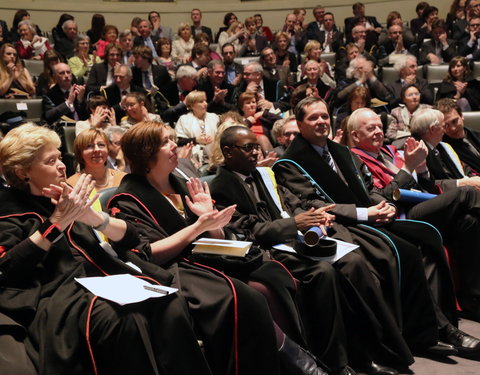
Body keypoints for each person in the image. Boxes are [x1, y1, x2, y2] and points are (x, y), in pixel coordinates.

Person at [107, 120, 326, 375]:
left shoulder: (182, 183)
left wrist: (210, 219)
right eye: (166, 141)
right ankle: (300, 366)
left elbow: (217, 235)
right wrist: (198, 226)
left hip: (207, 256)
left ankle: (293, 359)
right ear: (146, 152)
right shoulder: (126, 198)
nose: (175, 146)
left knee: (273, 277)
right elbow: (147, 254)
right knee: (249, 297)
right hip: (174, 269)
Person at [0, 123, 213, 375]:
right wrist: (55, 224)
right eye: (50, 161)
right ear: (23, 171)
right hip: (54, 293)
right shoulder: (9, 207)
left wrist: (93, 217)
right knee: (123, 318)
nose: (61, 165)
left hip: (100, 279)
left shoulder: (66, 195)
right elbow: (8, 268)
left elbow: (131, 239)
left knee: (170, 302)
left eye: (60, 157)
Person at [210, 125, 417, 375]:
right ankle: (337, 362)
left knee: (354, 262)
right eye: (248, 148)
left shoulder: (264, 174)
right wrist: (295, 223)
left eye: (256, 146)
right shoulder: (221, 186)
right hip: (267, 249)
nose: (255, 153)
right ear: (228, 152)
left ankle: (371, 352)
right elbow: (250, 230)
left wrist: (314, 216)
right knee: (322, 273)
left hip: (295, 240)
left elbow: (291, 202)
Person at [272, 97, 465, 358]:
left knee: (428, 239)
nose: (321, 122)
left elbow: (368, 190)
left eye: (324, 116)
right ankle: (423, 334)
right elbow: (312, 204)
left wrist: (384, 206)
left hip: (369, 218)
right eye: (313, 118)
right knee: (403, 252)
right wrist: (366, 212)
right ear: (299, 124)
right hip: (341, 226)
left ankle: (438, 327)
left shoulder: (341, 152)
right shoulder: (289, 163)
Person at [349, 106, 480, 329]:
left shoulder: (391, 151)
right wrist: (408, 167)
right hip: (400, 215)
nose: (378, 132)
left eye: (380, 127)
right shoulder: (355, 160)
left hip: (421, 204)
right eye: (370, 128)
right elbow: (380, 198)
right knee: (468, 192)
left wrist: (421, 170)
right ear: (355, 135)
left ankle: (473, 299)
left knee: (469, 222)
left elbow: (427, 188)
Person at [175, 90, 219, 167]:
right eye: (201, 101)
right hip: (193, 160)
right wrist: (196, 140)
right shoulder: (184, 119)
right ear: (192, 105)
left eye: (205, 101)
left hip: (215, 157)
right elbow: (179, 141)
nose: (205, 104)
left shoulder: (214, 117)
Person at [436, 98, 480, 174]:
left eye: (454, 121)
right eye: (446, 125)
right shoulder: (445, 151)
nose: (452, 128)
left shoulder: (476, 134)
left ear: (461, 116)